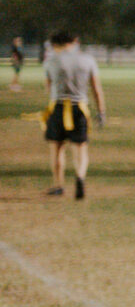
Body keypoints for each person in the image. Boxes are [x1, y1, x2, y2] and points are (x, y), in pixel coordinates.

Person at [41, 31, 106, 199]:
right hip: (80, 108)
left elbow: (48, 89)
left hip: (58, 107)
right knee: (80, 148)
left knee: (57, 148)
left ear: (55, 44)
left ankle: (58, 185)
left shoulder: (50, 61)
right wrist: (101, 112)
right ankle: (80, 178)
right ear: (74, 42)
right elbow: (96, 89)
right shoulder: (88, 60)